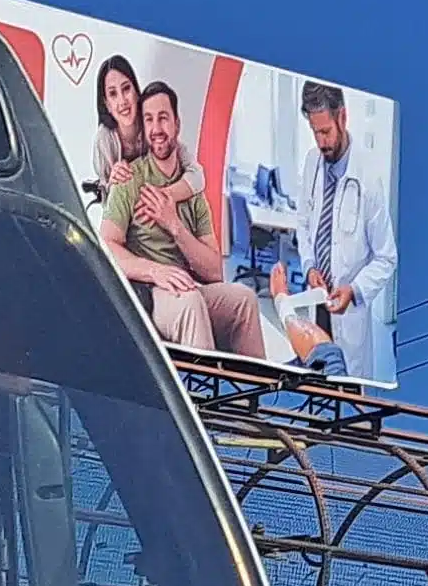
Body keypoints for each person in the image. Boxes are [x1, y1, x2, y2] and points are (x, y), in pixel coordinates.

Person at [104, 80, 265, 360]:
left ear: (177, 124)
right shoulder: (130, 179)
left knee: (245, 299)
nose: (157, 129)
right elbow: (106, 245)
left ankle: (251, 398)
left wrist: (175, 226)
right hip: (152, 293)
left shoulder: (192, 192)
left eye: (163, 118)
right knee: (190, 303)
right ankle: (198, 402)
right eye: (149, 120)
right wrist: (155, 271)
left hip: (188, 286)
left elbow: (215, 270)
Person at [280, 81, 397, 387]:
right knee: (314, 384)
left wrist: (354, 290)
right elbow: (304, 224)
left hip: (348, 312)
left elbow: (386, 257)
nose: (321, 142)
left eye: (326, 132)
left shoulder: (369, 179)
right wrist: (309, 267)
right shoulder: (311, 161)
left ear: (342, 118)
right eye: (315, 132)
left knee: (346, 391)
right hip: (317, 302)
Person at [84, 53, 143, 205]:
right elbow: (107, 206)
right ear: (107, 104)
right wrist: (112, 183)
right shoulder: (104, 138)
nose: (122, 101)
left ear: (136, 91)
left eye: (126, 89)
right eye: (113, 94)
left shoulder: (152, 121)